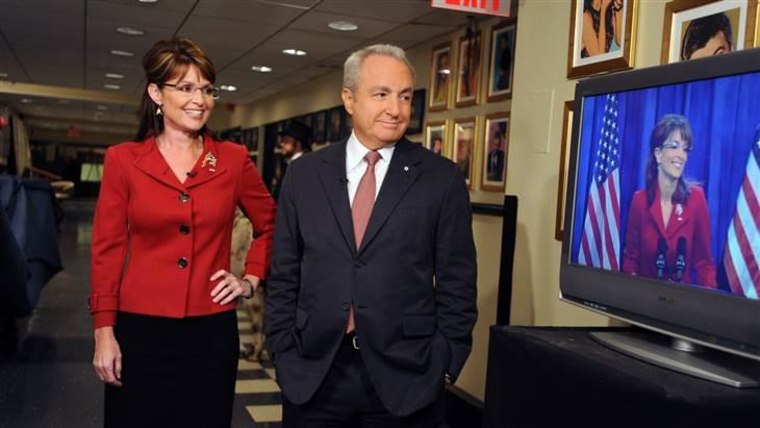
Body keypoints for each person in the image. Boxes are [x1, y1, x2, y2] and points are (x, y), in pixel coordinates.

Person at [266, 44, 478, 427]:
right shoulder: (305, 176)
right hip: (315, 372)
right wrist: (281, 349)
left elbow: (457, 281)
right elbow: (284, 272)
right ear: (349, 99)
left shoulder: (441, 179)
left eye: (405, 96)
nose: (395, 109)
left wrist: (446, 362)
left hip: (407, 377)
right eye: (381, 94)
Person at [89, 37, 276, 427]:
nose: (200, 100)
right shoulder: (123, 161)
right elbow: (106, 249)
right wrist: (104, 333)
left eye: (207, 90)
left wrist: (250, 279)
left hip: (210, 333)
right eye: (186, 88)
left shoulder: (232, 160)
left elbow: (272, 226)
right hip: (139, 331)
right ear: (156, 93)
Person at [622, 114, 716, 287]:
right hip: (645, 301)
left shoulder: (696, 198)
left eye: (685, 149)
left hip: (682, 306)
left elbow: (704, 264)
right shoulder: (639, 201)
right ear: (658, 154)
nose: (681, 155)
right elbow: (631, 260)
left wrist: (709, 307)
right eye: (674, 147)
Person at [272, 120, 312, 200]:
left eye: (286, 141)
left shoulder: (305, 167)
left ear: (298, 143)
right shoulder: (288, 165)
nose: (281, 144)